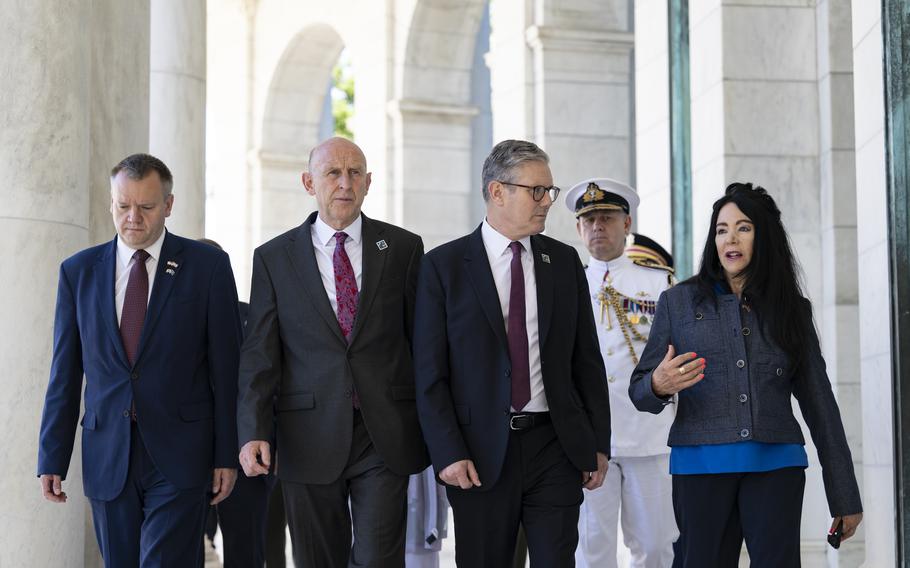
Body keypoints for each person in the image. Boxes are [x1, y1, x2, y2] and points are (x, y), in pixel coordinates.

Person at [629, 182, 863, 567]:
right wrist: (658, 385)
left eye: (743, 227)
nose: (730, 238)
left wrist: (844, 496)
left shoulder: (792, 310)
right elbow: (639, 391)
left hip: (776, 468)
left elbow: (821, 405)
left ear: (763, 236)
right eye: (722, 229)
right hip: (700, 470)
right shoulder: (678, 302)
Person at [413, 139, 612, 566]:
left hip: (555, 446)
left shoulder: (563, 263)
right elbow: (429, 375)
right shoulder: (443, 267)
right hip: (478, 452)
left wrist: (598, 442)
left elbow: (586, 362)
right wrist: (447, 453)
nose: (546, 202)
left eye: (549, 192)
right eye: (535, 191)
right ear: (497, 191)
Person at [37, 153, 242, 566]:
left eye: (146, 207)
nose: (133, 217)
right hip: (108, 452)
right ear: (111, 203)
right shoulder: (78, 272)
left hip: (181, 454)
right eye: (123, 206)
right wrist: (52, 456)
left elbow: (227, 369)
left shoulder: (208, 267)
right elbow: (65, 372)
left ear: (168, 205)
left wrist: (226, 454)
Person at [236, 137, 429, 567]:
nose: (345, 183)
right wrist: (252, 430)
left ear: (368, 182)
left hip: (383, 434)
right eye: (333, 173)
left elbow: (423, 344)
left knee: (380, 559)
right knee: (317, 559)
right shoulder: (273, 258)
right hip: (306, 434)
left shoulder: (403, 249)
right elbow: (260, 354)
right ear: (309, 182)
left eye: (355, 172)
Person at [565, 179, 678, 568]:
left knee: (655, 544)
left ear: (627, 223)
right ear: (579, 229)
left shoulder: (658, 282)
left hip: (649, 434)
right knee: (590, 548)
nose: (598, 226)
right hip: (588, 438)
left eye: (608, 218)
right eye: (590, 218)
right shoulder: (566, 283)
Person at [197, 237, 279, 568]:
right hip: (190, 454)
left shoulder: (252, 317)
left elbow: (270, 381)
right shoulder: (172, 320)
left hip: (247, 456)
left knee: (246, 550)